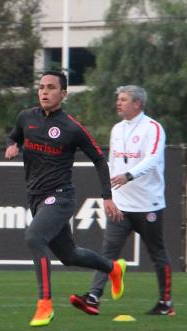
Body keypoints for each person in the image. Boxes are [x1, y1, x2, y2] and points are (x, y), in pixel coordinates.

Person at [5, 71, 126, 327]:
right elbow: (14, 134)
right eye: (41, 87)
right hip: (35, 198)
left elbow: (99, 159)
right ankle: (113, 269)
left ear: (63, 94)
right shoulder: (26, 117)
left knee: (34, 237)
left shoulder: (71, 127)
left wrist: (107, 196)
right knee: (69, 256)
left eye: (51, 87)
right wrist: (13, 145)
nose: (44, 92)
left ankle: (44, 305)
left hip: (60, 197)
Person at [70, 85, 175, 316]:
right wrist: (109, 196)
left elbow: (154, 159)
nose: (119, 103)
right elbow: (112, 164)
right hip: (122, 207)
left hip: (148, 205)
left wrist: (129, 175)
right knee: (107, 253)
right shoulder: (117, 129)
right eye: (118, 99)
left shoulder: (153, 128)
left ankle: (166, 304)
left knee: (157, 253)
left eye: (124, 99)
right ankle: (94, 298)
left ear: (137, 103)